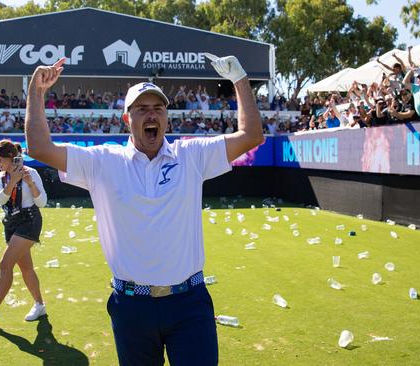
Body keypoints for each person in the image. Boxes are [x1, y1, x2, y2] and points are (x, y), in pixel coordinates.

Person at [25, 53, 263, 365]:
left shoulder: (191, 155)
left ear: (167, 117)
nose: (151, 115)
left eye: (158, 108)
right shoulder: (102, 161)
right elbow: (39, 148)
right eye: (142, 109)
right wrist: (36, 90)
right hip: (131, 306)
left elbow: (251, 136)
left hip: (189, 303)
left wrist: (240, 79)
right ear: (127, 118)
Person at [0, 140, 48, 323]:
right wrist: (12, 181)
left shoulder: (32, 172)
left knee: (5, 265)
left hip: (30, 220)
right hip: (11, 223)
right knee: (26, 268)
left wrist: (29, 183)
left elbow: (42, 202)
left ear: (11, 158)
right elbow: (1, 200)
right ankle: (40, 305)